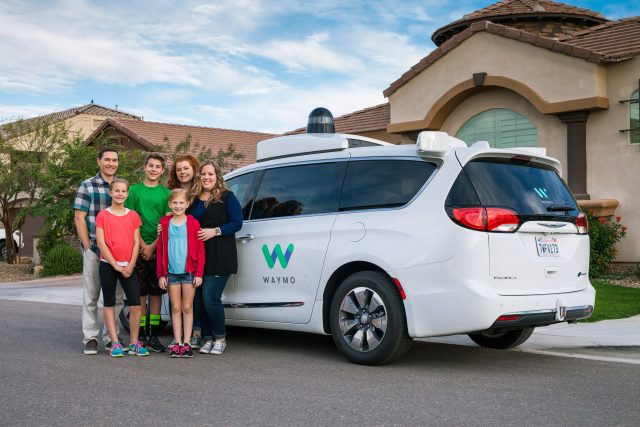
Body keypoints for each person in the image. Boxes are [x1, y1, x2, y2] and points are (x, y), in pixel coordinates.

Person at [73, 147, 124, 355]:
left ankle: (112, 337)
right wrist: (87, 247)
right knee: (92, 296)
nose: (111, 163)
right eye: (107, 160)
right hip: (95, 249)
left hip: (118, 252)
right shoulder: (88, 185)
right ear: (99, 161)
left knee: (117, 297)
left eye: (115, 160)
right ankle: (91, 337)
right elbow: (79, 217)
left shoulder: (121, 187)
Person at [189, 160, 243, 355]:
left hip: (221, 254)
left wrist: (216, 231)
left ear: (217, 176)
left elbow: (237, 223)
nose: (207, 177)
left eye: (211, 174)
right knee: (199, 300)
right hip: (199, 257)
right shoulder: (194, 199)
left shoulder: (228, 197)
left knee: (210, 297)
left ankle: (220, 337)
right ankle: (208, 338)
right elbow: (184, 220)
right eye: (203, 174)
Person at [95, 179, 149, 357]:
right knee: (109, 303)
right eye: (116, 190)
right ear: (110, 193)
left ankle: (134, 343)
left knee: (135, 304)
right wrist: (115, 265)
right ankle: (115, 343)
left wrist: (131, 264)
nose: (120, 194)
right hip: (108, 265)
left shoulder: (133, 215)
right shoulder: (103, 215)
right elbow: (102, 244)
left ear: (127, 194)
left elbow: (136, 243)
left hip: (129, 266)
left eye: (123, 191)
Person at [125, 153, 171, 352]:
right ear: (145, 167)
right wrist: (143, 245)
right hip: (137, 247)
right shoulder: (134, 191)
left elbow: (167, 222)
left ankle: (153, 335)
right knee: (141, 293)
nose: (153, 169)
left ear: (162, 170)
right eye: (150, 165)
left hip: (159, 248)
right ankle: (141, 334)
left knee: (157, 293)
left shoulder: (166, 193)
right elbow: (131, 220)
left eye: (157, 166)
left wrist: (153, 246)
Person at [156, 189, 205, 358]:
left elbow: (200, 249)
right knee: (175, 307)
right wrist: (161, 274)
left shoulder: (192, 223)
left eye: (181, 203)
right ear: (170, 204)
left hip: (189, 272)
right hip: (171, 273)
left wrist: (199, 273)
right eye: (175, 203)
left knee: (187, 307)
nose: (178, 206)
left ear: (187, 204)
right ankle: (177, 342)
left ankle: (186, 343)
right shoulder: (164, 224)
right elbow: (161, 250)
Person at [166, 154, 204, 349]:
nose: (182, 172)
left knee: (190, 302)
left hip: (194, 253)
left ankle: (192, 336)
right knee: (176, 305)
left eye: (186, 168)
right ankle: (179, 338)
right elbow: (166, 222)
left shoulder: (200, 192)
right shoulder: (172, 196)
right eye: (179, 169)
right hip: (174, 262)